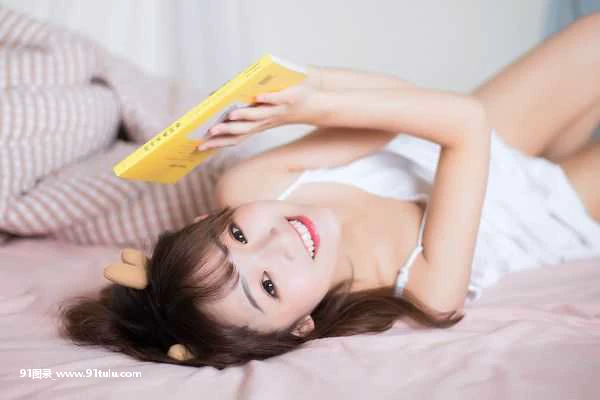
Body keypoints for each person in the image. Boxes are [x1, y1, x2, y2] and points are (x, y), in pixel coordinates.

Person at [60, 14, 600, 369]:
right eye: (268, 285)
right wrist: (318, 104)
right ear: (302, 326)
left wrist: (307, 88)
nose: (277, 242)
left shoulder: (249, 184)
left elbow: (404, 108)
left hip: (457, 143)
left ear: (210, 219)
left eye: (238, 235)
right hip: (543, 207)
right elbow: (463, 122)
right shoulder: (426, 292)